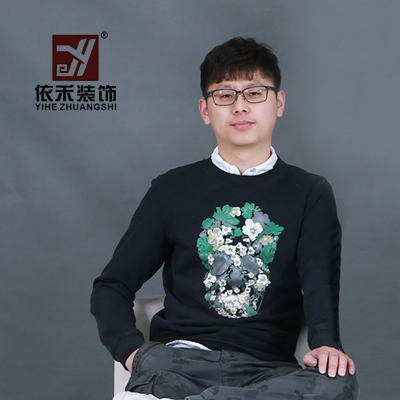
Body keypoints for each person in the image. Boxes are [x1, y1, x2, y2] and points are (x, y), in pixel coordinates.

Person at [91, 37, 359, 400]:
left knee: (340, 383)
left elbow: (319, 284)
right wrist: (131, 352)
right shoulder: (171, 189)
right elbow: (111, 285)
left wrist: (327, 344)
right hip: (179, 362)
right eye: (225, 95)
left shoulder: (309, 193)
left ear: (279, 102)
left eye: (255, 93)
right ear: (205, 110)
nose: (240, 106)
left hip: (266, 370)